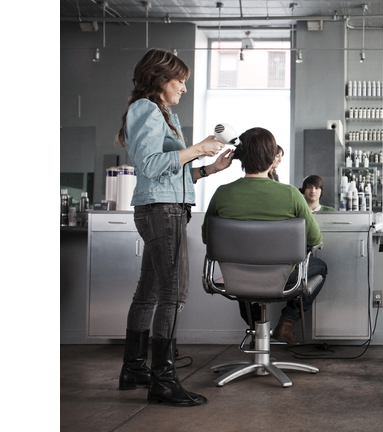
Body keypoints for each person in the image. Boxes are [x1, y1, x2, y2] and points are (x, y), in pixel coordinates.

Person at [116, 48, 234, 407]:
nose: (183, 88)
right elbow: (151, 165)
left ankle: (135, 368)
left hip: (164, 206)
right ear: (159, 79)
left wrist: (208, 169)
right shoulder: (146, 110)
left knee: (149, 292)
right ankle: (163, 380)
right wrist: (197, 148)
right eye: (179, 80)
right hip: (161, 211)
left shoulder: (161, 113)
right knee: (174, 293)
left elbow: (170, 172)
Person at [202, 127, 328, 345]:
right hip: (280, 278)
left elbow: (207, 238)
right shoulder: (290, 194)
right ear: (272, 158)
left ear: (240, 157)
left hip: (237, 278)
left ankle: (254, 330)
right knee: (320, 267)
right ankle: (287, 323)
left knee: (242, 268)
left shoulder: (222, 193)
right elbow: (315, 240)